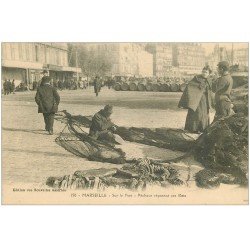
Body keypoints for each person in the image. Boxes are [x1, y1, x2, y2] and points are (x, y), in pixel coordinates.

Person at [178, 66, 213, 133]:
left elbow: (211, 90)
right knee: (197, 113)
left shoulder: (209, 80)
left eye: (206, 72)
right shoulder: (196, 78)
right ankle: (193, 128)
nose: (204, 73)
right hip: (196, 100)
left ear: (209, 74)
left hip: (205, 100)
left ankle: (203, 128)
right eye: (203, 71)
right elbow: (190, 87)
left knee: (204, 114)